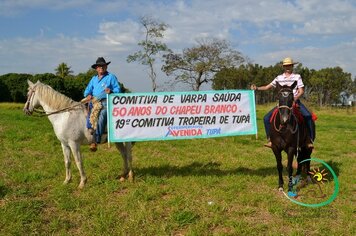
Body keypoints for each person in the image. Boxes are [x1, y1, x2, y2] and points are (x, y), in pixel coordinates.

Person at [251, 57, 314, 148]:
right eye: (286, 66)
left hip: (295, 102)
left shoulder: (297, 77)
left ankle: (309, 140)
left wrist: (295, 99)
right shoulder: (279, 78)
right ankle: (270, 140)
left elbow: (301, 91)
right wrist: (256, 88)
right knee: (266, 118)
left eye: (289, 65)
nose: (287, 67)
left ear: (292, 66)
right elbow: (267, 87)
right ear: (283, 67)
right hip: (282, 104)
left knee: (308, 116)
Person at [83, 57, 121, 152]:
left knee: (103, 114)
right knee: (87, 114)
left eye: (103, 66)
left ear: (106, 66)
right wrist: (88, 95)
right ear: (96, 68)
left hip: (106, 101)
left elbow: (118, 90)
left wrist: (111, 91)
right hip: (94, 101)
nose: (101, 68)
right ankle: (89, 131)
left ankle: (96, 139)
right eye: (99, 67)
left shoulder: (111, 77)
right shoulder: (93, 79)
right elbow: (87, 90)